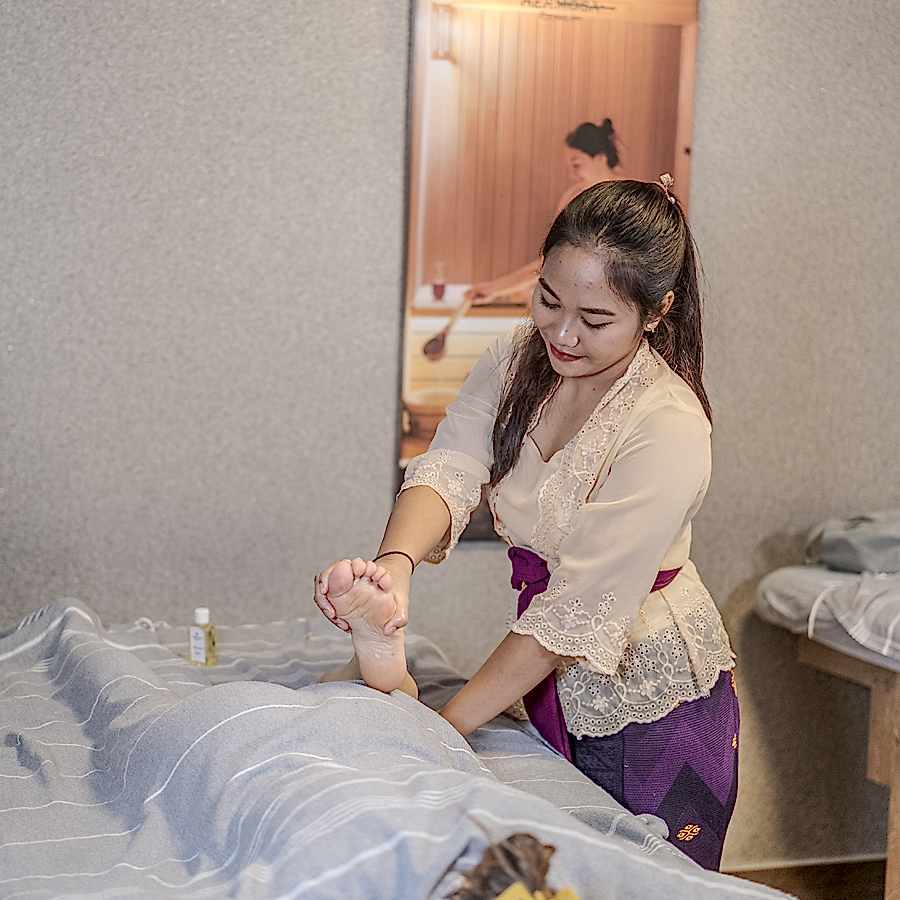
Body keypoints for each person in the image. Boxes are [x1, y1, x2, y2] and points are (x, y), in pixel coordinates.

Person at [313, 176, 739, 871]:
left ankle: (394, 679)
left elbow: (574, 610)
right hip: (545, 676)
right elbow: (451, 465)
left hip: (651, 707)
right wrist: (396, 565)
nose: (561, 334)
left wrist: (441, 730)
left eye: (594, 319)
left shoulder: (667, 424)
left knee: (632, 880)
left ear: (656, 312)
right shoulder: (517, 358)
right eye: (548, 299)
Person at [463, 118, 623, 308]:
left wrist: (497, 288)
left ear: (601, 158)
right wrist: (496, 289)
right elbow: (551, 258)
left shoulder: (630, 200)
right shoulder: (572, 197)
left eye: (577, 165)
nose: (572, 175)